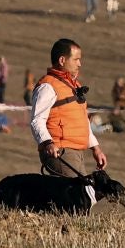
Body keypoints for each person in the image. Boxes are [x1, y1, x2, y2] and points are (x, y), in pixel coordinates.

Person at [29, 38, 108, 181]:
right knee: (78, 198)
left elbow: (83, 121)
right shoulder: (47, 87)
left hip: (76, 152)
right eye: (76, 59)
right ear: (62, 60)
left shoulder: (74, 86)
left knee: (84, 197)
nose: (80, 64)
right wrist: (48, 143)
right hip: (60, 152)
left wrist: (96, 149)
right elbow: (37, 120)